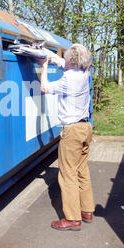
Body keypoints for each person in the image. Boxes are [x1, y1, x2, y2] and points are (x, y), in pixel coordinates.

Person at [40, 44, 94, 231]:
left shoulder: (68, 79)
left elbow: (45, 88)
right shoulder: (83, 73)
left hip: (71, 132)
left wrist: (44, 66)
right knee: (82, 170)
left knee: (67, 174)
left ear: (72, 61)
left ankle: (72, 219)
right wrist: (47, 52)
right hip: (86, 128)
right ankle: (87, 210)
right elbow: (63, 62)